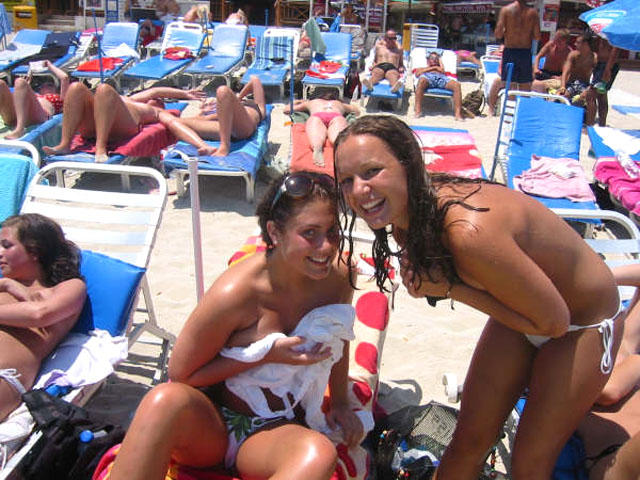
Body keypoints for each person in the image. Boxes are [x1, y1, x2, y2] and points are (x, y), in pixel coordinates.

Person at [333, 115, 624, 479]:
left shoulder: (466, 230)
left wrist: (451, 289)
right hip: (524, 308)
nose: (359, 190)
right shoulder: (410, 214)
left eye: (372, 171)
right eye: (347, 180)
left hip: (582, 325)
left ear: (407, 164)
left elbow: (554, 323)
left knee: (529, 464)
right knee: (468, 441)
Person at [107, 171, 363, 480]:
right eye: (310, 233)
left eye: (333, 231)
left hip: (275, 432)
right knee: (162, 401)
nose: (326, 247)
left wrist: (339, 401)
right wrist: (263, 355)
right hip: (213, 422)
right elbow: (182, 375)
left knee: (317, 455)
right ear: (275, 232)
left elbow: (339, 337)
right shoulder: (237, 293)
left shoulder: (339, 276)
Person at [0, 213, 86, 421]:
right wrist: (8, 284)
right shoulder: (4, 285)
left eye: (6, 245)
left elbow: (40, 314)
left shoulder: (68, 288)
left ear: (35, 250)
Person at [42, 83, 205, 162]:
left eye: (159, 101)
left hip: (121, 128)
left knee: (104, 89)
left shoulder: (154, 111)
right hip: (97, 123)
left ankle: (101, 147)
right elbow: (156, 91)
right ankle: (64, 144)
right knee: (76, 87)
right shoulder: (131, 99)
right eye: (156, 99)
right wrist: (184, 93)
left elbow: (174, 123)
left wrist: (201, 145)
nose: (156, 100)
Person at [157, 76, 266, 157]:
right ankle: (205, 147)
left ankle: (224, 147)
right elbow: (254, 81)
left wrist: (239, 99)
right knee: (173, 121)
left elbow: (255, 80)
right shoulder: (252, 106)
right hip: (225, 129)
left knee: (223, 91)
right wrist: (201, 114)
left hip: (243, 129)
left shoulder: (259, 107)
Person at [283, 91, 360, 166]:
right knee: (337, 140)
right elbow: (357, 111)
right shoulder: (339, 104)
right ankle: (340, 150)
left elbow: (287, 110)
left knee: (316, 134)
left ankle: (317, 149)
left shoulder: (312, 102)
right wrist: (345, 105)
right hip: (336, 116)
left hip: (317, 115)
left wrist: (300, 101)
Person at [0, 60, 69, 140]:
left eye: (50, 84)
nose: (45, 85)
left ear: (55, 89)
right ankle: (18, 126)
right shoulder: (36, 95)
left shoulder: (60, 98)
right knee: (1, 84)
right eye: (42, 85)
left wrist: (49, 65)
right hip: (15, 116)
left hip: (41, 116)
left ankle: (19, 129)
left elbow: (64, 77)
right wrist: (26, 86)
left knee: (20, 82)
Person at [491, 0, 541, 110]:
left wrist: (509, 31)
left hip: (510, 50)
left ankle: (510, 111)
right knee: (525, 85)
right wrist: (526, 32)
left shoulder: (506, 10)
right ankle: (523, 111)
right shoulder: (533, 13)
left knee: (510, 84)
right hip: (525, 52)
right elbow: (537, 36)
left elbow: (498, 34)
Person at [558, 33, 597, 123]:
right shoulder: (573, 55)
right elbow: (565, 72)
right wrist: (563, 86)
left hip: (585, 84)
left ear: (586, 44)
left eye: (578, 42)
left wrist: (588, 89)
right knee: (561, 96)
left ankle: (589, 125)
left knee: (590, 99)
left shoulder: (594, 57)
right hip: (571, 83)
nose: (575, 44)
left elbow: (596, 77)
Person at [413, 51, 463, 120]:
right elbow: (417, 74)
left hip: (441, 79)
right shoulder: (421, 68)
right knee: (421, 81)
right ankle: (418, 111)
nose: (434, 59)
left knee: (457, 85)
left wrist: (439, 62)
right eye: (432, 58)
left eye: (436, 58)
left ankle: (458, 114)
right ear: (428, 60)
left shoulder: (440, 68)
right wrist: (433, 68)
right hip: (428, 78)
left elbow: (442, 70)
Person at [588, 36, 619, 127]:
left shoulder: (612, 31)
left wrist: (608, 68)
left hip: (606, 66)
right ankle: (602, 124)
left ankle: (590, 125)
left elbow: (615, 49)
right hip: (602, 65)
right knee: (602, 95)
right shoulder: (605, 31)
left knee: (591, 95)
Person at [532, 28, 572, 93]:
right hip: (545, 72)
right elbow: (538, 56)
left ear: (565, 41)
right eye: (555, 38)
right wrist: (535, 69)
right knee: (529, 74)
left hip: (557, 75)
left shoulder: (569, 53)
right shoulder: (550, 45)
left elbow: (569, 71)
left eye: (558, 40)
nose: (555, 41)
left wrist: (561, 78)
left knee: (560, 83)